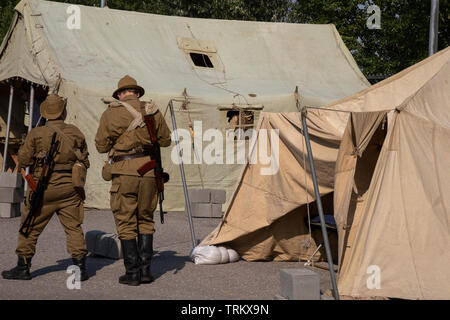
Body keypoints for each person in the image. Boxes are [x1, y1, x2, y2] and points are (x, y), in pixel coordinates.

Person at [1, 94, 90, 281]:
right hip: (70, 187)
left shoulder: (36, 132)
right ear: (63, 111)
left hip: (43, 187)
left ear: (46, 113)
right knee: (73, 227)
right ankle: (80, 268)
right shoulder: (76, 132)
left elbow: (24, 160)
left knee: (29, 227)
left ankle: (23, 268)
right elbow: (85, 160)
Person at [95, 75, 171, 286]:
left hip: (123, 172)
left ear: (120, 94)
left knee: (126, 220)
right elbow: (165, 141)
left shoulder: (111, 112)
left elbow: (101, 146)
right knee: (146, 219)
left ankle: (132, 273)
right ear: (137, 93)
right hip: (148, 171)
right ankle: (146, 271)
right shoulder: (152, 110)